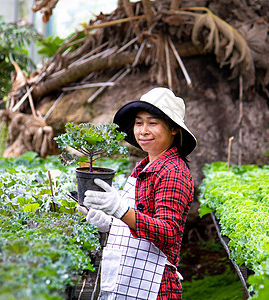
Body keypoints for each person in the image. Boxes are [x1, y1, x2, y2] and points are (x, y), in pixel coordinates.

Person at [78, 87, 197, 300]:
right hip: (127, 278)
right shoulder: (142, 167)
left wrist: (120, 210)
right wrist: (108, 222)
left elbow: (168, 232)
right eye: (138, 123)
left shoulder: (173, 172)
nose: (143, 130)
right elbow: (137, 220)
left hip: (155, 286)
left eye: (153, 123)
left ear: (173, 129)